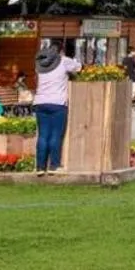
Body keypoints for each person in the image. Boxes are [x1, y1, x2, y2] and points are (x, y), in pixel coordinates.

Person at [32, 42, 79, 173]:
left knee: (42, 135)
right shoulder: (63, 61)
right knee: (56, 135)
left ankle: (40, 167)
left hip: (40, 102)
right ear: (61, 51)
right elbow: (78, 67)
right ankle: (54, 165)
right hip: (57, 102)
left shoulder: (40, 62)